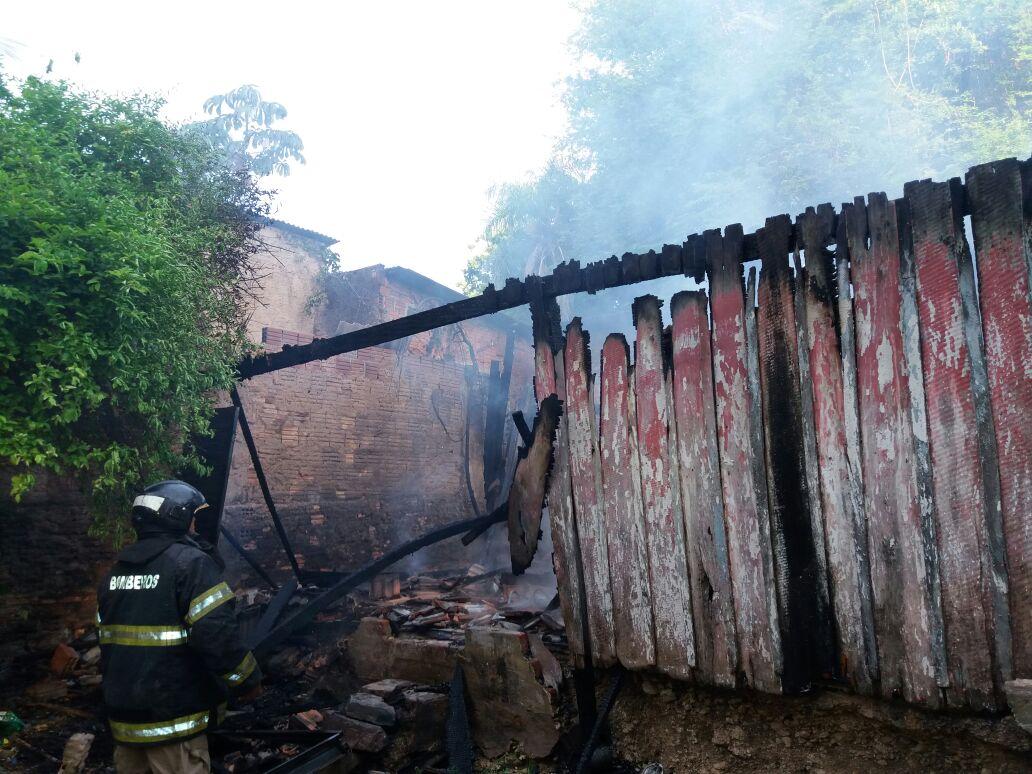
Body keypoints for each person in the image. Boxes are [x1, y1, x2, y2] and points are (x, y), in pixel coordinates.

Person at [96, 480, 261, 774]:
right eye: (193, 517)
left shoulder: (116, 573)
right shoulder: (190, 564)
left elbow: (106, 639)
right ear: (177, 517)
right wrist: (247, 680)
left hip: (124, 719)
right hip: (172, 720)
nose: (195, 526)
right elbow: (216, 635)